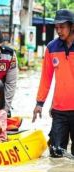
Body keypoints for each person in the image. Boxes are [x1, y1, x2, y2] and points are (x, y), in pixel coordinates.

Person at [32, 9, 74, 157]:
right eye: (56, 27)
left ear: (72, 26)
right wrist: (39, 103)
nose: (59, 31)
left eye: (62, 27)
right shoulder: (51, 48)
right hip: (59, 110)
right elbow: (46, 78)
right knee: (56, 154)